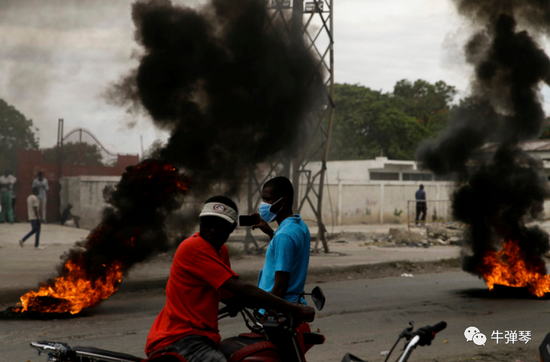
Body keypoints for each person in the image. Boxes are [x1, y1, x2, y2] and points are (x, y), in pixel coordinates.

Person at [145, 195, 314, 362]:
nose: (211, 229)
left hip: (202, 337)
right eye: (206, 223)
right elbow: (240, 289)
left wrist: (262, 304)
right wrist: (294, 309)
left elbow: (231, 296)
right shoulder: (194, 247)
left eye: (218, 225)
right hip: (180, 338)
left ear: (231, 228)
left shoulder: (221, 251)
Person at [251, 176, 311, 306]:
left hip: (279, 311)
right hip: (293, 304)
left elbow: (280, 286)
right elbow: (286, 252)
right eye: (263, 199)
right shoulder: (299, 226)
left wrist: (265, 316)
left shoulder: (284, 235)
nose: (263, 205)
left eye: (267, 199)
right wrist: (270, 233)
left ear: (283, 201)